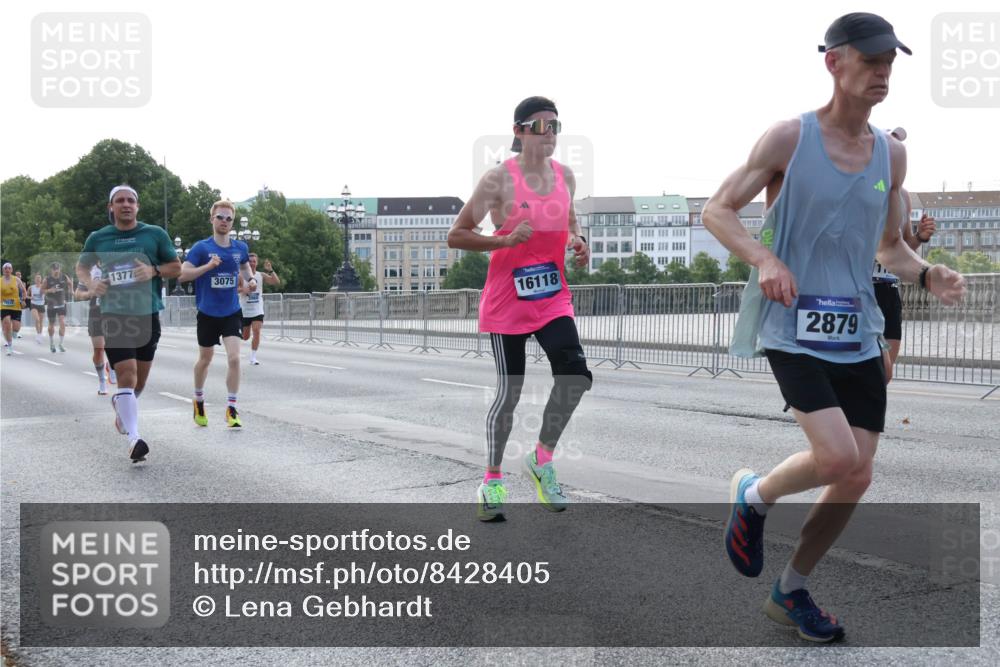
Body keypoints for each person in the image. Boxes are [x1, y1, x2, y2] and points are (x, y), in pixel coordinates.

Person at [702, 13, 966, 643]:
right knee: (838, 456)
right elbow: (718, 210)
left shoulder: (891, 155)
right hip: (792, 327)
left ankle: (790, 592)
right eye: (870, 61)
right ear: (833, 63)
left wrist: (927, 274)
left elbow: (891, 247)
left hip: (857, 331)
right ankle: (754, 496)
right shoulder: (789, 139)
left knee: (857, 473)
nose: (882, 73)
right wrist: (765, 258)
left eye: (889, 64)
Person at [448, 96, 592, 521]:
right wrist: (503, 241)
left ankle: (541, 459)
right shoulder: (497, 180)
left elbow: (571, 222)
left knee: (576, 375)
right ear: (519, 131)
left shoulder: (565, 177)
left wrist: (578, 242)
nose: (550, 132)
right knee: (509, 393)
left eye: (556, 125)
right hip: (508, 297)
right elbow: (458, 234)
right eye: (541, 125)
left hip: (551, 294)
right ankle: (492, 480)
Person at [76, 184, 181, 463]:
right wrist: (91, 283)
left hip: (147, 314)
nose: (125, 205)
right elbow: (82, 267)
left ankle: (121, 405)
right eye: (120, 200)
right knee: (127, 374)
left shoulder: (154, 234)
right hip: (114, 314)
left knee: (138, 384)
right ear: (111, 207)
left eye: (130, 200)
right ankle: (135, 439)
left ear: (137, 206)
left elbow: (176, 267)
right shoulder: (99, 238)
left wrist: (154, 270)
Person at [179, 200, 255, 428]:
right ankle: (198, 399)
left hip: (231, 311)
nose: (224, 221)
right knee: (205, 359)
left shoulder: (240, 248)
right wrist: (208, 267)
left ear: (232, 222)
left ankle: (231, 408)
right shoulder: (201, 248)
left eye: (228, 218)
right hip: (207, 312)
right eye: (220, 217)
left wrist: (250, 280)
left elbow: (244, 267)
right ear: (212, 219)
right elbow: (183, 275)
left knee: (234, 358)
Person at [872, 127, 936, 380]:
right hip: (860, 288)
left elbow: (903, 245)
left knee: (885, 372)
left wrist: (920, 236)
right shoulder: (863, 187)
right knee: (861, 368)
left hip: (889, 288)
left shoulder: (904, 196)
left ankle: (861, 417)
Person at [74, 261, 112, 394]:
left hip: (116, 311)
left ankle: (112, 364)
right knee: (99, 350)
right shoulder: (90, 270)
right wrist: (88, 294)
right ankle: (102, 380)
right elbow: (77, 293)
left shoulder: (116, 265)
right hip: (96, 312)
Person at [238, 253, 280, 365]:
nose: (252, 263)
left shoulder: (260, 275)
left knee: (257, 331)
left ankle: (253, 357)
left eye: (254, 261)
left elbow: (276, 282)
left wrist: (270, 270)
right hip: (244, 310)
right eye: (250, 261)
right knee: (245, 337)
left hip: (257, 309)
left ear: (256, 263)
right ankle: (238, 332)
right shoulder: (241, 275)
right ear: (247, 263)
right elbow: (235, 289)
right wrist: (245, 290)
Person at [44, 262, 73, 353]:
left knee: (62, 322)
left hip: (61, 304)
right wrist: (49, 290)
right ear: (51, 270)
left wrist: (71, 291)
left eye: (57, 269)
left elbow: (70, 283)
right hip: (51, 305)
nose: (56, 271)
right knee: (51, 324)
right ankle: (52, 343)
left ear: (59, 269)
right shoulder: (47, 279)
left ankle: (61, 344)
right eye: (54, 269)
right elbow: (42, 290)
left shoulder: (64, 277)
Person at [1, 263, 27, 355]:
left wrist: (23, 299)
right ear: (3, 271)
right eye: (5, 268)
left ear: (11, 270)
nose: (7, 270)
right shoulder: (0, 281)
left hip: (15, 306)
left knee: (16, 328)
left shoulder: (16, 279)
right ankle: (9, 346)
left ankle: (13, 334)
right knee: (7, 324)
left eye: (9, 268)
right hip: (4, 305)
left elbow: (24, 291)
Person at [28, 273, 46, 343]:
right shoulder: (31, 287)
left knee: (41, 322)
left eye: (39, 278)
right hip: (34, 305)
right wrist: (30, 297)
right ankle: (38, 334)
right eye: (37, 278)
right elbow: (26, 295)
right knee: (37, 319)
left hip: (41, 305)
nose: (38, 279)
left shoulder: (43, 287)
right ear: (35, 280)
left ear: (41, 279)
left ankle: (39, 335)